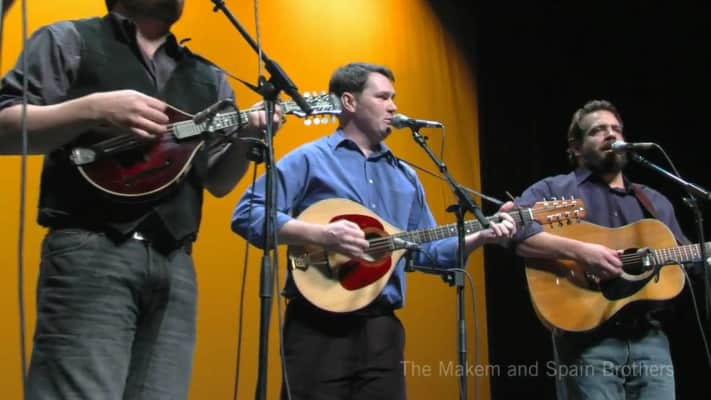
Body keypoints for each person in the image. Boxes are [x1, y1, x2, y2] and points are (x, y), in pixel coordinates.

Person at [0, 0, 281, 398]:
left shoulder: (210, 76)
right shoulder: (68, 39)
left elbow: (218, 181)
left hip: (176, 261)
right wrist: (93, 108)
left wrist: (249, 135)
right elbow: (6, 129)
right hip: (90, 248)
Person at [231, 62, 517, 400]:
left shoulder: (406, 176)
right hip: (316, 325)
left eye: (393, 97)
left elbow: (427, 253)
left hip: (382, 329)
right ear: (349, 102)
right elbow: (247, 213)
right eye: (382, 97)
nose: (393, 106)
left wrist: (480, 236)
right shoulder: (311, 159)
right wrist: (321, 235)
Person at [509, 99, 688, 399]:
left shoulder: (654, 202)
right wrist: (580, 252)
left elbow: (686, 258)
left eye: (616, 129)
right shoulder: (556, 190)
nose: (611, 134)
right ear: (576, 147)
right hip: (587, 339)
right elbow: (513, 229)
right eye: (598, 130)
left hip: (650, 340)